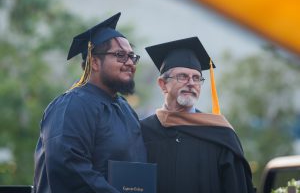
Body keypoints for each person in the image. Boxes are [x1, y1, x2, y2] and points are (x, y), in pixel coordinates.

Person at [33, 12, 146, 193]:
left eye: (132, 56)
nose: (130, 62)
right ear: (94, 62)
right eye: (120, 55)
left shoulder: (125, 109)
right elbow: (69, 167)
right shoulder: (71, 105)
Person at [141, 37, 256, 193]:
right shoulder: (143, 131)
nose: (191, 83)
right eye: (182, 76)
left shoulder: (220, 133)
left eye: (196, 78)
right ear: (163, 84)